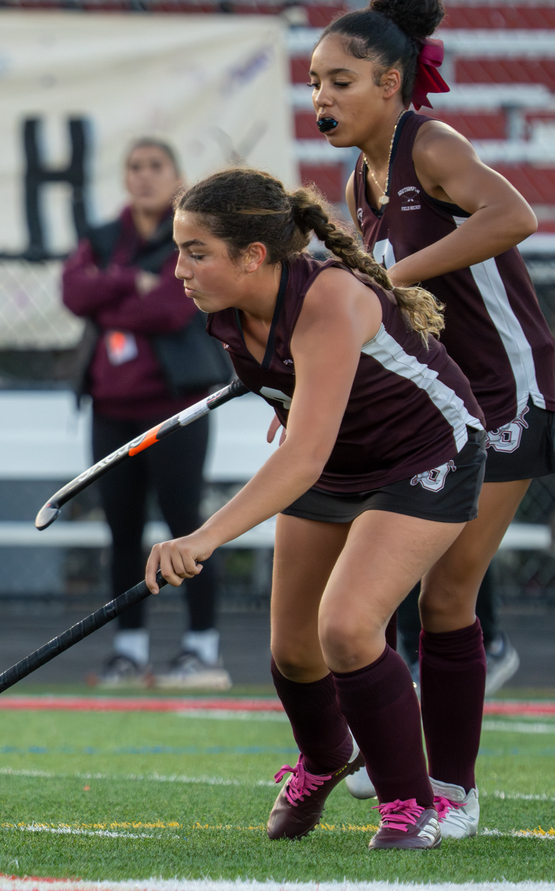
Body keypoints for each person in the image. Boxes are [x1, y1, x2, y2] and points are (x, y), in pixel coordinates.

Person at [149, 167, 485, 851]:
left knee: (348, 628)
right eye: (179, 249)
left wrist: (206, 536)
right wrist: (294, 403)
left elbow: (301, 457)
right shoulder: (227, 312)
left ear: (254, 256)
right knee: (295, 652)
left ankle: (408, 805)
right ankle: (327, 757)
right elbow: (305, 414)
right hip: (339, 460)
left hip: (425, 453)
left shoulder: (328, 299)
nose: (178, 267)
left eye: (195, 250)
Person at [311, 0, 553, 828]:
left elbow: (515, 216)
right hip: (445, 402)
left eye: (340, 82)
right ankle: (398, 756)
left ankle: (452, 791)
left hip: (509, 395)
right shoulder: (358, 177)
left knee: (447, 596)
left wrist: (396, 273)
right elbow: (368, 312)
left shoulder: (433, 145)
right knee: (412, 589)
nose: (322, 99)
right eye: (313, 83)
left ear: (390, 82)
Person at [62, 138, 229, 690]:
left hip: (175, 410)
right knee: (122, 531)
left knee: (188, 528)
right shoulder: (106, 236)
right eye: (134, 167)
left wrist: (114, 297)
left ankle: (201, 649)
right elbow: (72, 292)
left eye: (156, 166)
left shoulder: (193, 235)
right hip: (111, 410)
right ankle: (129, 652)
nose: (144, 177)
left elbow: (172, 305)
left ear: (176, 174)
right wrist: (130, 281)